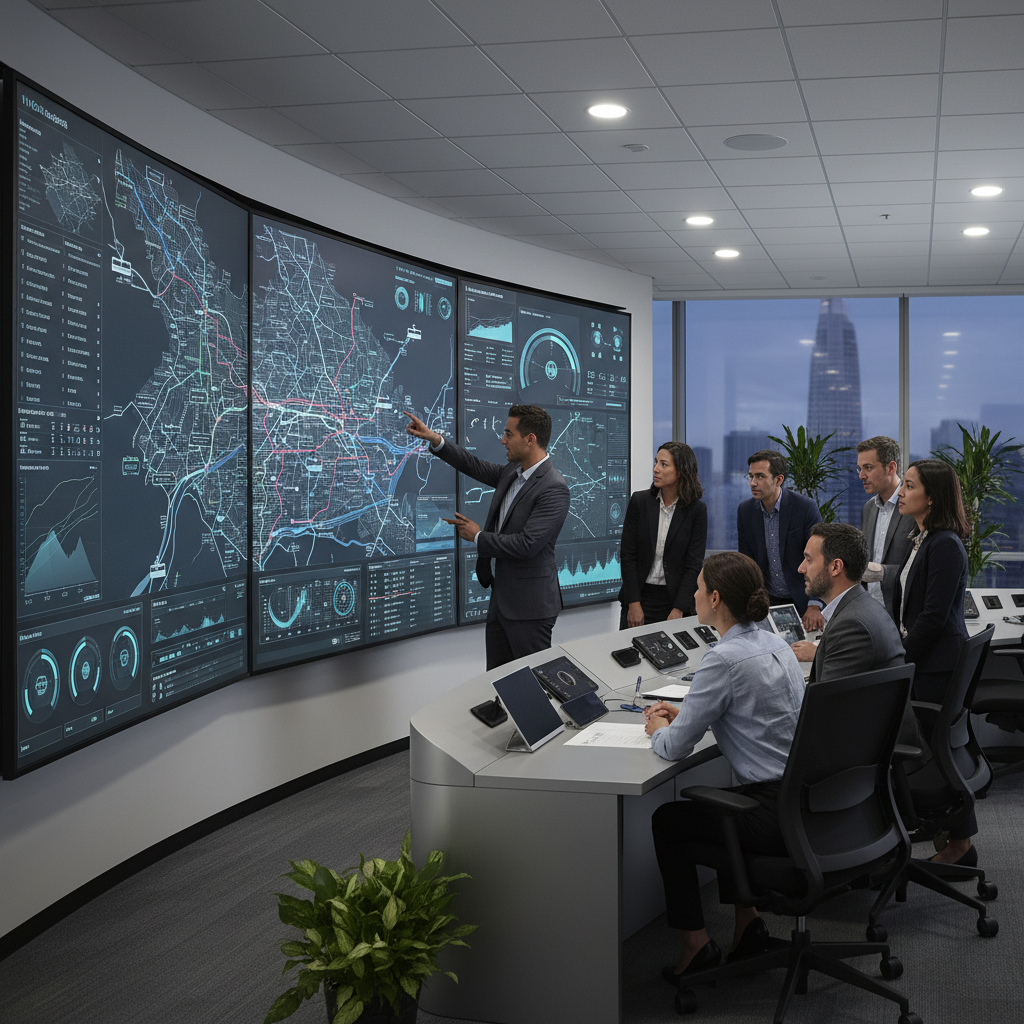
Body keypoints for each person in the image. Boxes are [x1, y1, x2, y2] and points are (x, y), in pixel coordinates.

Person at [645, 552, 805, 979]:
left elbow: (675, 749)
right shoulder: (775, 643)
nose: (694, 594)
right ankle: (747, 924)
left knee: (669, 820)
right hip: (804, 798)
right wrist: (693, 713)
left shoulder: (722, 658)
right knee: (732, 800)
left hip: (771, 813)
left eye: (698, 588)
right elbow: (758, 715)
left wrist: (658, 726)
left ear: (715, 598)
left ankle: (696, 944)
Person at [404, 405, 570, 670]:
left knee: (534, 686)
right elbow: (473, 465)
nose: (502, 440)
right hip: (502, 601)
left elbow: (527, 545)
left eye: (509, 434)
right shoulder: (511, 473)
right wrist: (436, 440)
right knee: (498, 681)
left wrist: (478, 536)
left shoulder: (553, 488)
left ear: (530, 439)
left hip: (530, 609)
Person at [893, 458, 974, 866]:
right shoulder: (920, 536)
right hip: (928, 660)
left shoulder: (945, 543)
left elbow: (932, 618)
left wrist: (898, 661)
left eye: (909, 486)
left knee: (937, 754)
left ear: (932, 496)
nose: (901, 492)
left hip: (936, 666)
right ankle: (938, 828)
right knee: (935, 751)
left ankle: (960, 843)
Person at [790, 522, 923, 753]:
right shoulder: (861, 606)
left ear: (835, 567)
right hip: (870, 738)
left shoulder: (852, 625)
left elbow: (822, 712)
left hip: (862, 755)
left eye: (809, 560)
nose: (801, 568)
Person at [618, 442, 707, 629]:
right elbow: (628, 556)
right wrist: (634, 604)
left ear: (681, 471)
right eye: (656, 462)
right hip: (638, 598)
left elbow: (693, 564)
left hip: (673, 602)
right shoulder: (640, 502)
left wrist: (679, 608)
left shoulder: (696, 511)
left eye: (664, 464)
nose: (656, 469)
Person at [736, 449, 824, 631]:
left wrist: (815, 604)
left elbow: (820, 556)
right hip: (766, 602)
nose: (753, 483)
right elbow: (747, 561)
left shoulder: (805, 507)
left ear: (779, 480)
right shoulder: (745, 511)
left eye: (760, 476)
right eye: (751, 476)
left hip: (803, 601)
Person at [856, 436, 915, 615]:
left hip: (905, 612)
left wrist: (883, 573)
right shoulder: (868, 509)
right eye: (859, 469)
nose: (861, 475)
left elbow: (923, 568)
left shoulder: (914, 507)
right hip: (872, 613)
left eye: (868, 468)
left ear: (890, 468)